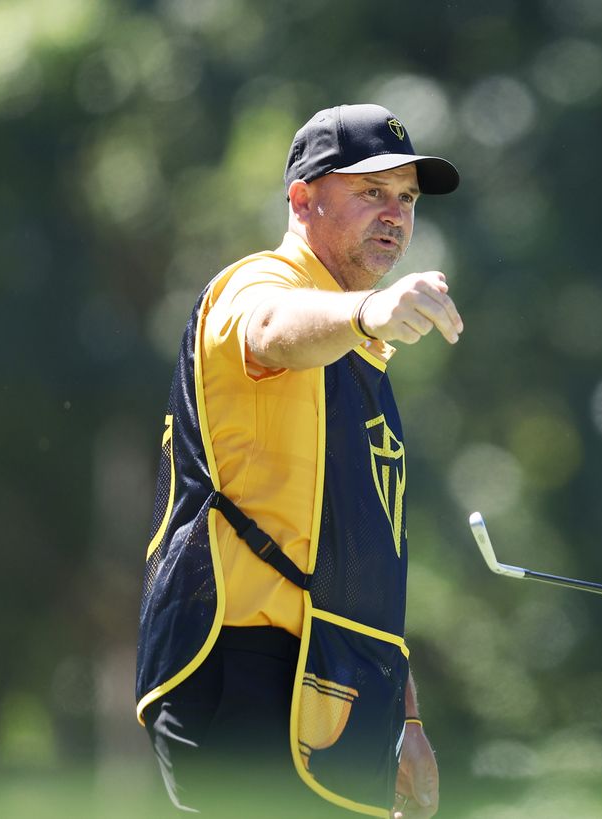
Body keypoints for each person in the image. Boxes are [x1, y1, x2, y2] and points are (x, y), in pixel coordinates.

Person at [136, 103, 463, 818]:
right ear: (302, 197)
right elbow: (271, 329)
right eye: (372, 191)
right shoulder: (258, 284)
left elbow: (368, 550)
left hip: (336, 682)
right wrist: (365, 314)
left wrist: (402, 718)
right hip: (239, 667)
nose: (397, 213)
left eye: (406, 197)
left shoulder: (356, 349)